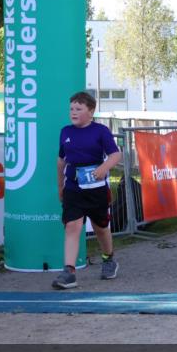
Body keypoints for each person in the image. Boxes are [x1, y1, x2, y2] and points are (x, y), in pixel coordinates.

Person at [53, 91, 122, 289]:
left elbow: (115, 155)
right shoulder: (65, 132)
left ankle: (108, 259)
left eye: (78, 109)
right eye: (71, 109)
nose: (73, 113)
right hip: (73, 188)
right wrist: (60, 186)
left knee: (101, 227)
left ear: (91, 111)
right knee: (72, 226)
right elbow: (60, 162)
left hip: (96, 189)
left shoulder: (101, 131)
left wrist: (103, 168)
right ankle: (69, 272)